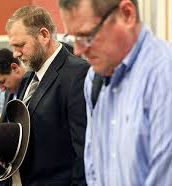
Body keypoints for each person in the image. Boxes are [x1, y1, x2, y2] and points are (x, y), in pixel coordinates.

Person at [59, 0, 172, 185]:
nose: (78, 51)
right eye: (73, 39)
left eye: (87, 36)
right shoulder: (93, 80)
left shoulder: (164, 75)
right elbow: (92, 165)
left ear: (127, 14)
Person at [0, 5, 89, 185]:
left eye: (21, 45)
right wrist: (3, 152)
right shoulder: (27, 80)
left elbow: (85, 152)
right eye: (13, 47)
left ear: (44, 35)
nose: (15, 54)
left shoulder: (77, 74)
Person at [0, 48, 28, 123]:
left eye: (2, 82)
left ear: (14, 68)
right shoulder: (9, 93)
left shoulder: (34, 87)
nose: (2, 89)